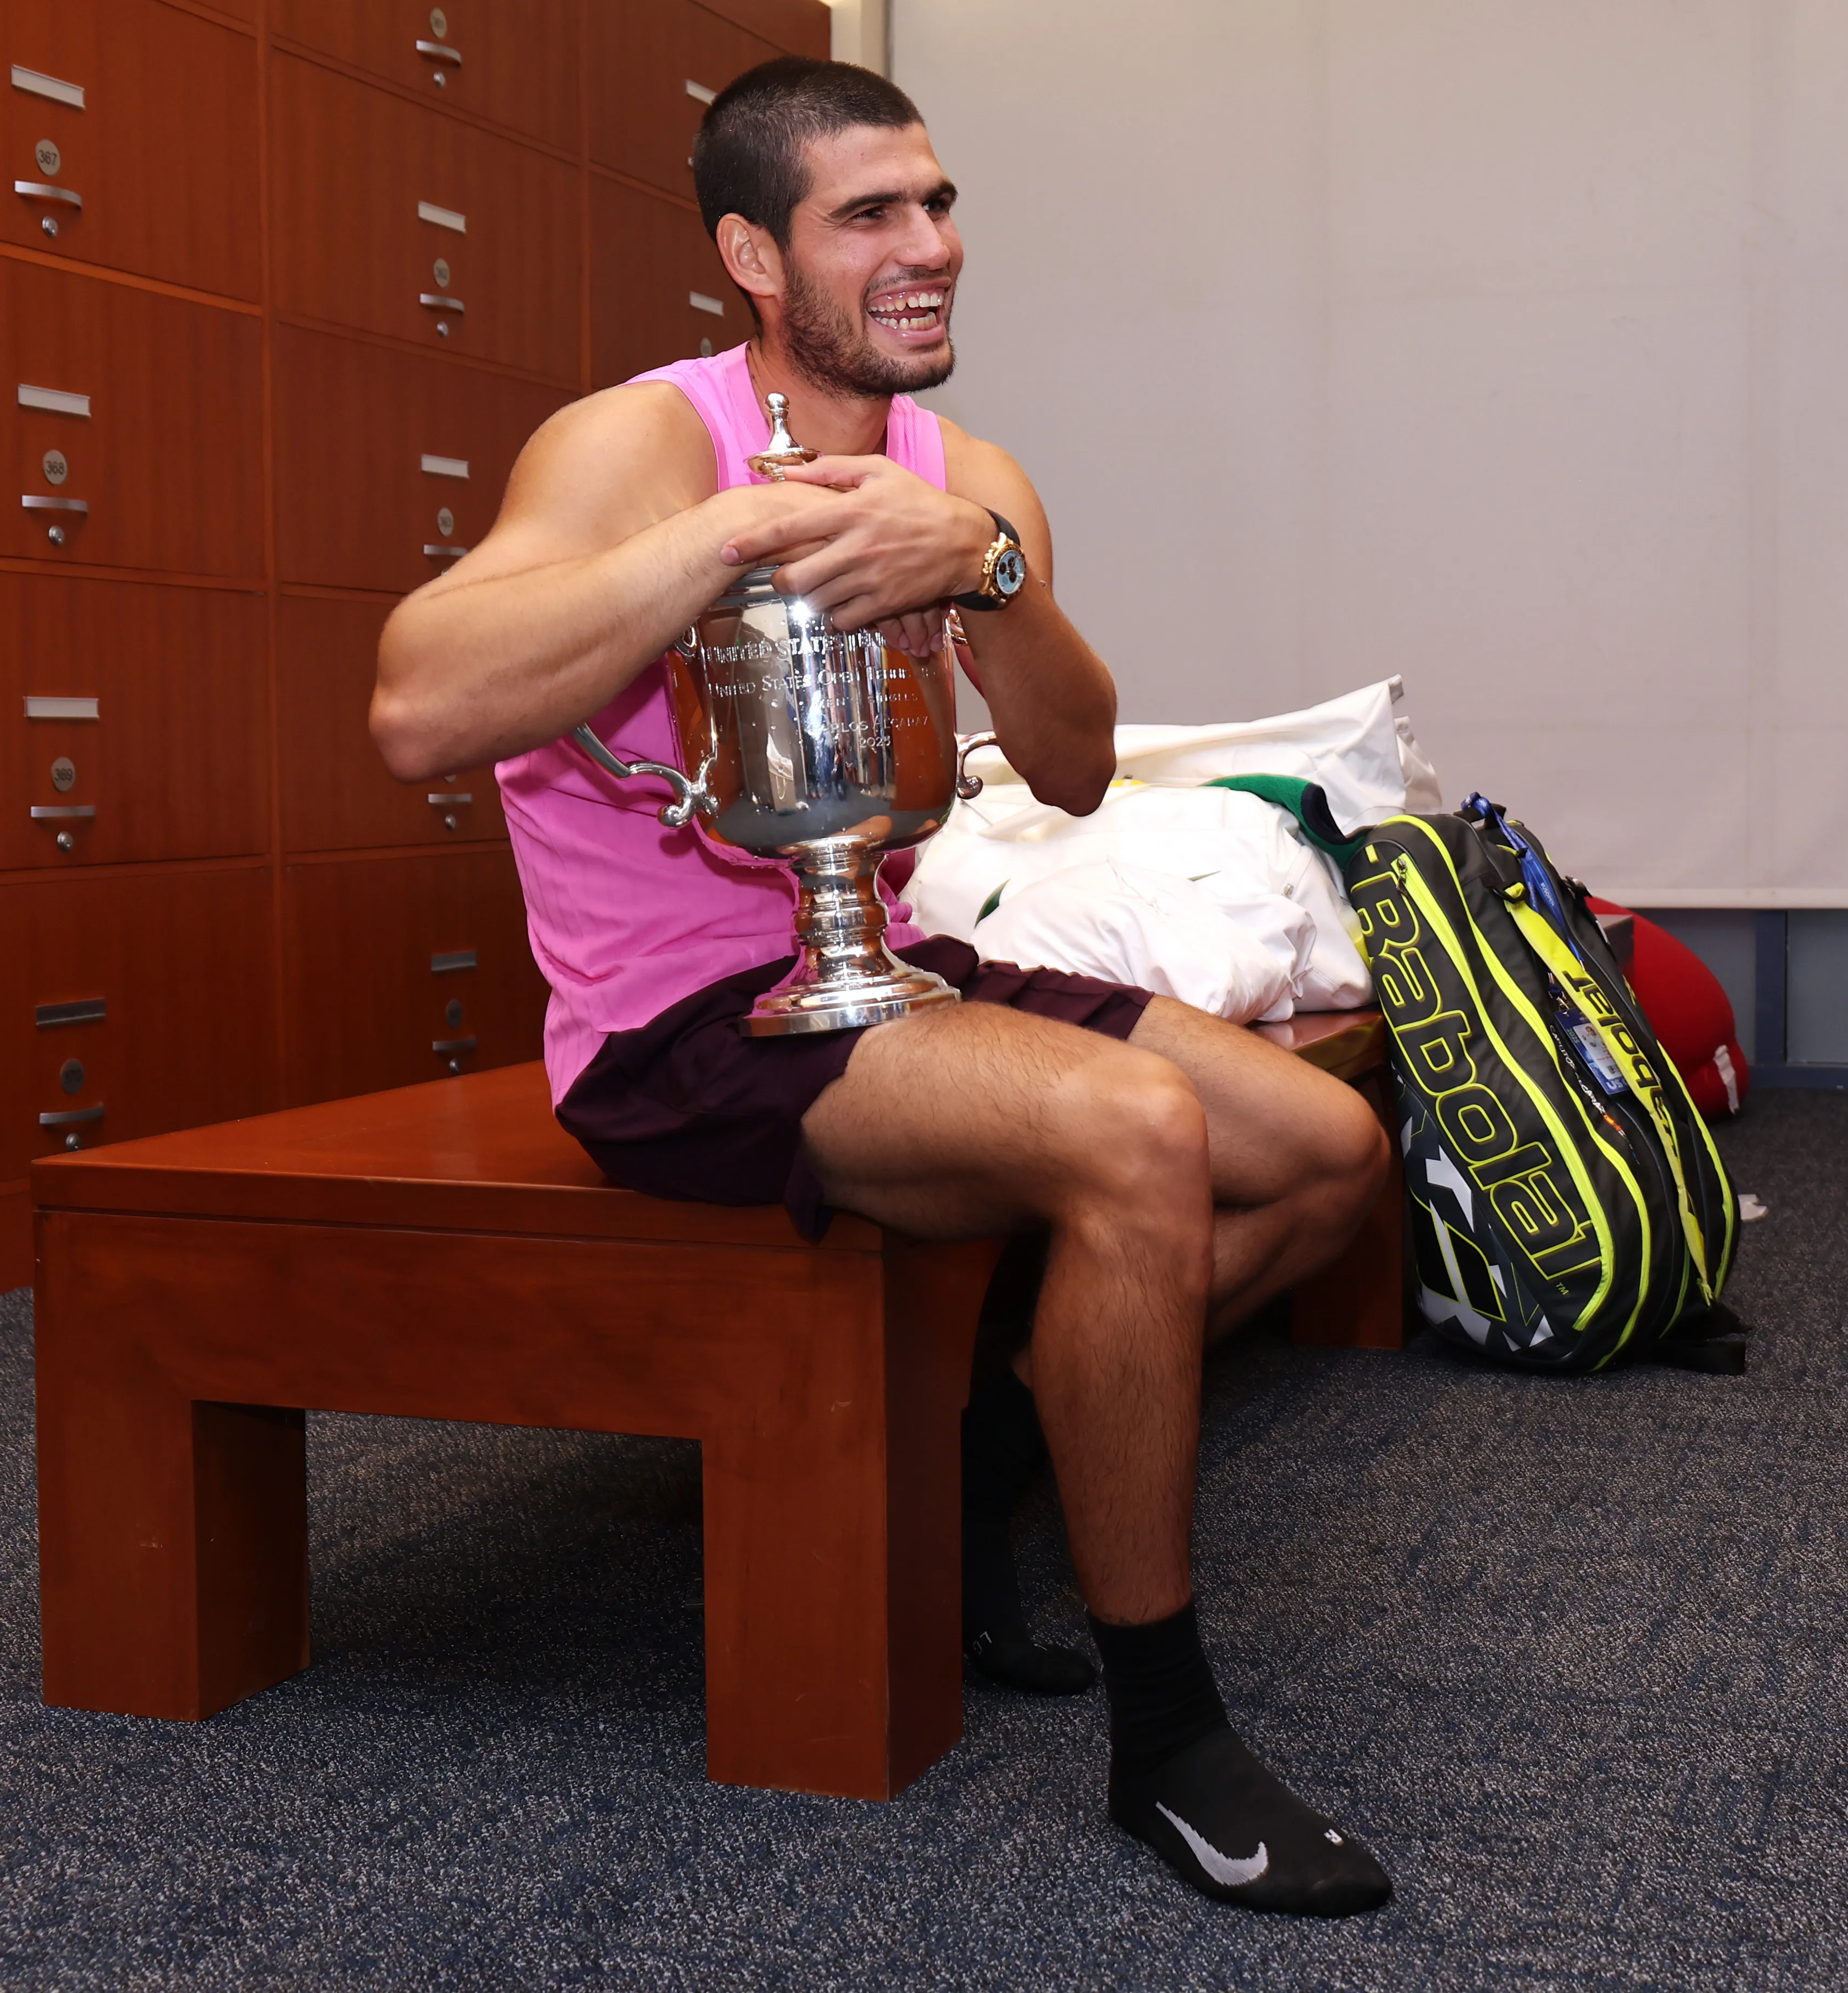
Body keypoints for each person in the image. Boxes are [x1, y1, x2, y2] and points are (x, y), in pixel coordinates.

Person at [369, 56, 1395, 1918]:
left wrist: (981, 568)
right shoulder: (639, 443)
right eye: (873, 217)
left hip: (894, 967)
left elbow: (1076, 768)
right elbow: (419, 702)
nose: (931, 248)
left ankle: (986, 1440)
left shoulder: (972, 477)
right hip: (686, 1030)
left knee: (1331, 1150)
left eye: (936, 204)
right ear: (756, 255)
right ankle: (1170, 1740)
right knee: (1142, 1137)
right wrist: (745, 535)